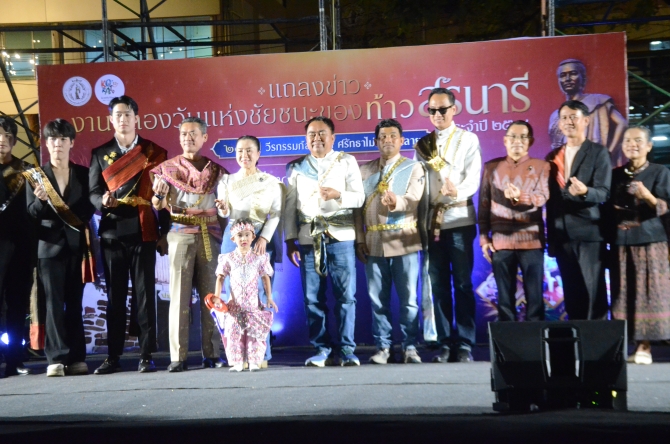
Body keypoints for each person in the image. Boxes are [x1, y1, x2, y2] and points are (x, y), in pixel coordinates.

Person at [89, 95, 168, 374]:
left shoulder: (154, 152)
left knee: (145, 296)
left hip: (144, 229)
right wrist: (102, 201)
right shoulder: (100, 153)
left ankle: (146, 355)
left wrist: (165, 231)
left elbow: (165, 194)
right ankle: (113, 356)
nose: (122, 119)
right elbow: (93, 192)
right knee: (115, 296)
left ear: (137, 118)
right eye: (117, 115)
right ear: (111, 120)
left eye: (127, 114)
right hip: (113, 232)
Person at [285, 116, 365, 367]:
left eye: (322, 133)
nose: (316, 138)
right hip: (308, 239)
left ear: (333, 137)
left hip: (342, 237)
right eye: (311, 134)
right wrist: (290, 240)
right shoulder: (296, 167)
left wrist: (338, 195)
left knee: (346, 297)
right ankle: (322, 349)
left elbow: (360, 198)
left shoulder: (346, 161)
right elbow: (290, 206)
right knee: (312, 299)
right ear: (305, 139)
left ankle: (347, 350)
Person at [151, 117, 226, 372]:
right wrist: (159, 195)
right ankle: (178, 356)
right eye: (183, 134)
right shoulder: (167, 169)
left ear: (205, 137)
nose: (188, 138)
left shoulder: (217, 172)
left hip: (210, 234)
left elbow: (225, 209)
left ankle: (212, 353)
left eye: (193, 133)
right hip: (180, 233)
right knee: (179, 296)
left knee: (212, 295)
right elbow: (157, 204)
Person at [413, 88, 482, 363]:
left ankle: (465, 343)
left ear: (454, 109)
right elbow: (419, 186)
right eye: (432, 110)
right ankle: (443, 342)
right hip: (432, 224)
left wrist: (457, 191)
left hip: (459, 218)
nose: (437, 114)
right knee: (438, 285)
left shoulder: (468, 139)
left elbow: (473, 178)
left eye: (442, 109)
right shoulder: (423, 145)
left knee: (463, 283)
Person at [24, 119, 96, 377]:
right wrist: (41, 201)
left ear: (71, 143)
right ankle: (56, 358)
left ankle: (77, 358)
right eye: (53, 139)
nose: (58, 144)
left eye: (63, 139)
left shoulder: (84, 174)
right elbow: (31, 212)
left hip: (77, 248)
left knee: (75, 303)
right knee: (53, 304)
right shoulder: (36, 176)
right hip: (49, 250)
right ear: (46, 143)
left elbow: (89, 208)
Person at [354, 119, 425, 364]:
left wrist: (397, 202)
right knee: (378, 301)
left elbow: (414, 199)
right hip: (373, 242)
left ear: (401, 140)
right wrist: (359, 239)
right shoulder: (365, 171)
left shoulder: (413, 168)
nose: (388, 140)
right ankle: (383, 347)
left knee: (409, 300)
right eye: (383, 136)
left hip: (405, 240)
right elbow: (357, 210)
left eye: (393, 136)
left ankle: (410, 347)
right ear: (376, 141)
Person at [215, 135, 283, 367]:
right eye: (240, 151)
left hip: (261, 237)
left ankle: (261, 354)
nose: (244, 155)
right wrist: (224, 209)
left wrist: (264, 237)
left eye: (249, 151)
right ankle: (237, 354)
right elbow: (224, 212)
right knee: (234, 295)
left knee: (260, 295)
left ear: (258, 153)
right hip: (234, 237)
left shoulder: (270, 181)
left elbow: (275, 214)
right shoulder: (227, 181)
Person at [609, 126, 670, 365]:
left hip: (650, 241)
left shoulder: (660, 172)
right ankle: (633, 345)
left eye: (638, 140)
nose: (632, 144)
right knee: (623, 294)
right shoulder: (615, 174)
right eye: (627, 140)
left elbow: (666, 207)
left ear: (649, 146)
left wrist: (648, 197)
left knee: (648, 294)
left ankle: (646, 346)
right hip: (621, 242)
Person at [546, 100, 611, 321]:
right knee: (571, 293)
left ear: (586, 121)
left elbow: (604, 192)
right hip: (561, 235)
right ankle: (576, 338)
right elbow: (550, 200)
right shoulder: (552, 157)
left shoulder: (598, 152)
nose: (568, 122)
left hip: (589, 233)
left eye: (573, 117)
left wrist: (585, 192)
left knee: (594, 292)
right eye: (564, 118)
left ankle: (598, 341)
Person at [478, 121, 550, 322]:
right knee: (504, 300)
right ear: (505, 140)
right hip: (501, 243)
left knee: (535, 298)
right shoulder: (491, 167)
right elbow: (484, 205)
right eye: (513, 137)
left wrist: (521, 196)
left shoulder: (542, 166)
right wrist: (484, 238)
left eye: (523, 137)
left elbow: (542, 197)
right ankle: (508, 340)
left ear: (530, 141)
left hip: (532, 242)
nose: (517, 141)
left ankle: (535, 338)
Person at [213, 218, 278, 372]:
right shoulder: (228, 258)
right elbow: (220, 277)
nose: (244, 239)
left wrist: (269, 297)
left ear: (253, 237)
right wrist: (217, 296)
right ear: (233, 239)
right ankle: (237, 362)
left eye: (247, 235)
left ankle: (254, 361)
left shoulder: (259, 258)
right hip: (234, 306)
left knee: (254, 334)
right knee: (234, 334)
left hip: (253, 305)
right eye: (240, 235)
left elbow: (265, 277)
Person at [0, 117, 35, 377]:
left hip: (20, 247)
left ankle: (14, 359)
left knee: (17, 303)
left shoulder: (27, 172)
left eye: (6, 136)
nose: (1, 141)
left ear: (13, 141)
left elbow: (34, 212)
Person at [548, 58, 627, 165]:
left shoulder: (597, 101)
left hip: (594, 162)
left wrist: (609, 154)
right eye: (562, 75)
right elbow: (556, 146)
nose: (567, 79)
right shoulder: (555, 116)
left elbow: (622, 123)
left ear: (583, 77)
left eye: (573, 74)